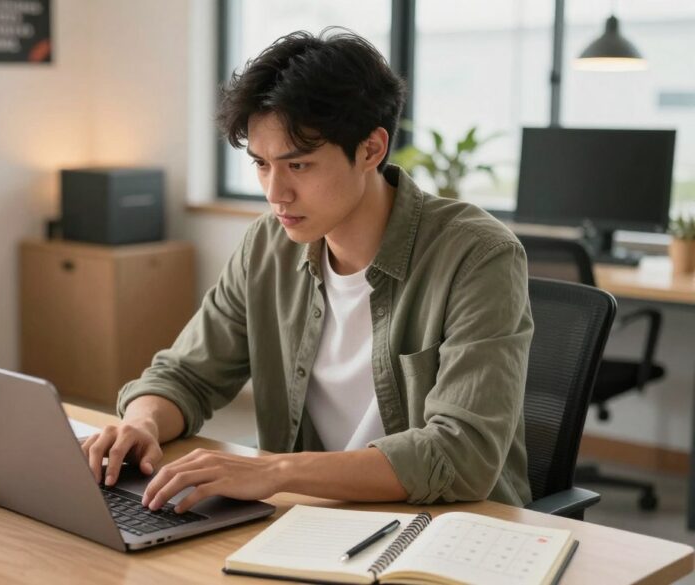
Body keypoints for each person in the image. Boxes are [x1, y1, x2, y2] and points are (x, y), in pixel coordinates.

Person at [81, 28, 533, 513]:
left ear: (370, 150)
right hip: (309, 520)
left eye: (298, 166)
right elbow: (186, 375)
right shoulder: (268, 244)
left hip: (444, 528)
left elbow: (461, 454)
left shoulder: (477, 254)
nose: (275, 194)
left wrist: (273, 472)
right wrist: (142, 422)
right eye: (261, 164)